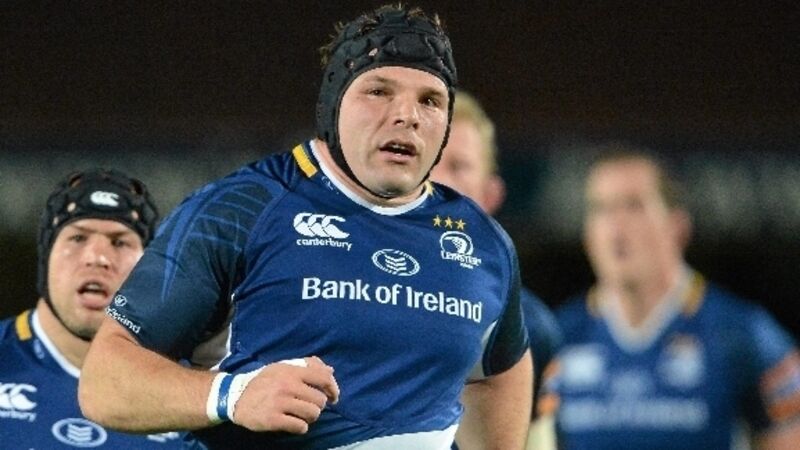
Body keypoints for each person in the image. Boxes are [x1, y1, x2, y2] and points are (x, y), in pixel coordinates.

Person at [78, 5, 533, 449]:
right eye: (379, 91)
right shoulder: (241, 209)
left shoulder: (482, 243)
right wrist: (232, 394)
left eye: (430, 100)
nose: (407, 115)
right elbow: (104, 381)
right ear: (334, 104)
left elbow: (498, 373)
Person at [538, 145, 800, 449]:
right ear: (587, 234)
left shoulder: (745, 335)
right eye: (601, 208)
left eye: (634, 206)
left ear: (677, 226)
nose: (616, 227)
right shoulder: (556, 338)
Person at [0, 169, 194, 448]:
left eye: (119, 242)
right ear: (46, 256)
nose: (98, 257)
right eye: (78, 238)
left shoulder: (192, 391)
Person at [429, 89, 562, 448]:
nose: (437, 181)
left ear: (491, 195)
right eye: (428, 160)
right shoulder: (342, 293)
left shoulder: (530, 327)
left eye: (458, 166)